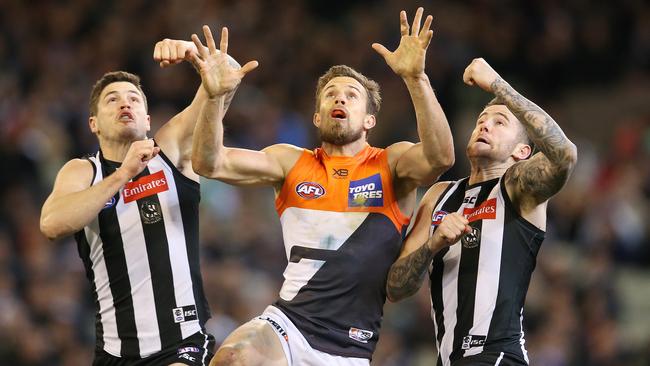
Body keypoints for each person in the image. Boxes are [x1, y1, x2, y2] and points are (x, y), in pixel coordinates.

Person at [187, 8, 455, 366]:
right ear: (317, 115)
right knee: (233, 357)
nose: (340, 99)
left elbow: (441, 157)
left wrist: (416, 78)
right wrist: (213, 96)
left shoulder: (391, 164)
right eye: (330, 94)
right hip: (288, 324)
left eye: (351, 95)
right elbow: (210, 162)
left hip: (350, 345)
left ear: (369, 119)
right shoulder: (290, 161)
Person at [39, 30, 240, 365]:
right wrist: (122, 175)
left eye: (134, 98)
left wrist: (192, 52)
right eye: (112, 99)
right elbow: (51, 224)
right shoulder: (82, 171)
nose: (124, 103)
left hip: (181, 341)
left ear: (147, 119)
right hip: (114, 351)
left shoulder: (171, 151)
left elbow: (227, 75)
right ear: (94, 124)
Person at [385, 57, 578, 365]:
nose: (485, 124)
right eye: (481, 120)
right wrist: (433, 245)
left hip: (497, 356)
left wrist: (495, 83)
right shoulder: (439, 194)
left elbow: (565, 156)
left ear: (522, 152)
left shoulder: (517, 188)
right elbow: (396, 287)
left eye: (500, 122)